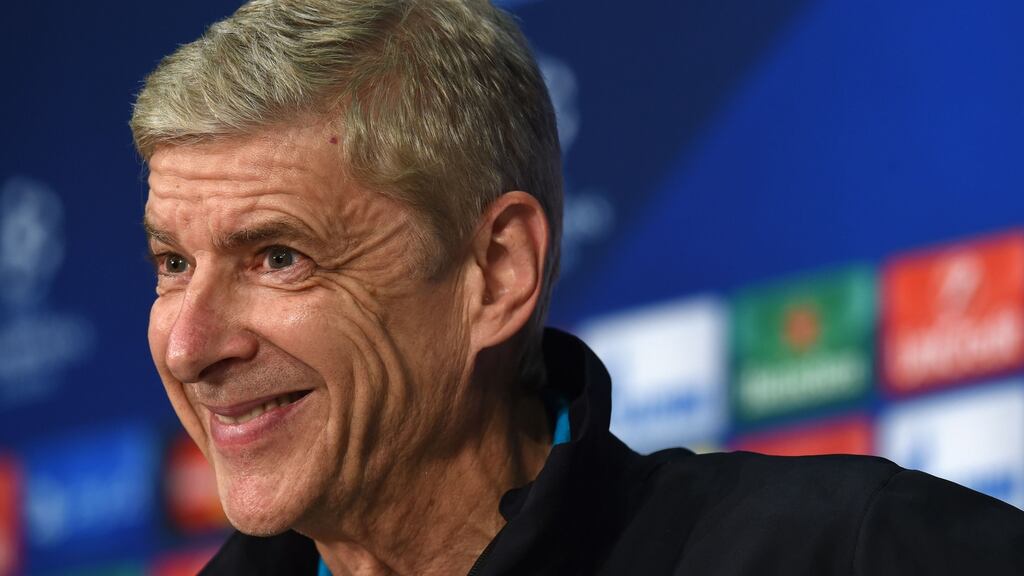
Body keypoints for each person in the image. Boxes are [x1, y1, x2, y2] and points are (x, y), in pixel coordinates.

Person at [131, 1, 1024, 574]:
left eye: (277, 256)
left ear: (497, 272)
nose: (190, 344)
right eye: (173, 263)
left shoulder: (847, 554)